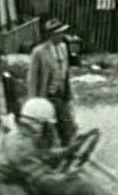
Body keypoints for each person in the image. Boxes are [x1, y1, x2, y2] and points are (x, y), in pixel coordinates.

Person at [0, 98, 107, 195]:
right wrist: (67, 177)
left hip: (25, 185)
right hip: (29, 190)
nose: (47, 129)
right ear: (38, 123)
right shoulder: (20, 145)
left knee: (79, 182)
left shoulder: (20, 137)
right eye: (46, 124)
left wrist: (67, 151)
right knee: (84, 186)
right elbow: (42, 180)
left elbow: (42, 155)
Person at [27, 18, 78, 147]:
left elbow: (65, 73)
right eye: (59, 33)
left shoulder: (63, 48)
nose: (62, 35)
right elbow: (33, 79)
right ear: (51, 35)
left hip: (61, 94)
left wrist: (68, 93)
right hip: (47, 96)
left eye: (63, 32)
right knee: (46, 128)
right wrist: (34, 103)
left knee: (67, 125)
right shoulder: (39, 52)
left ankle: (67, 149)